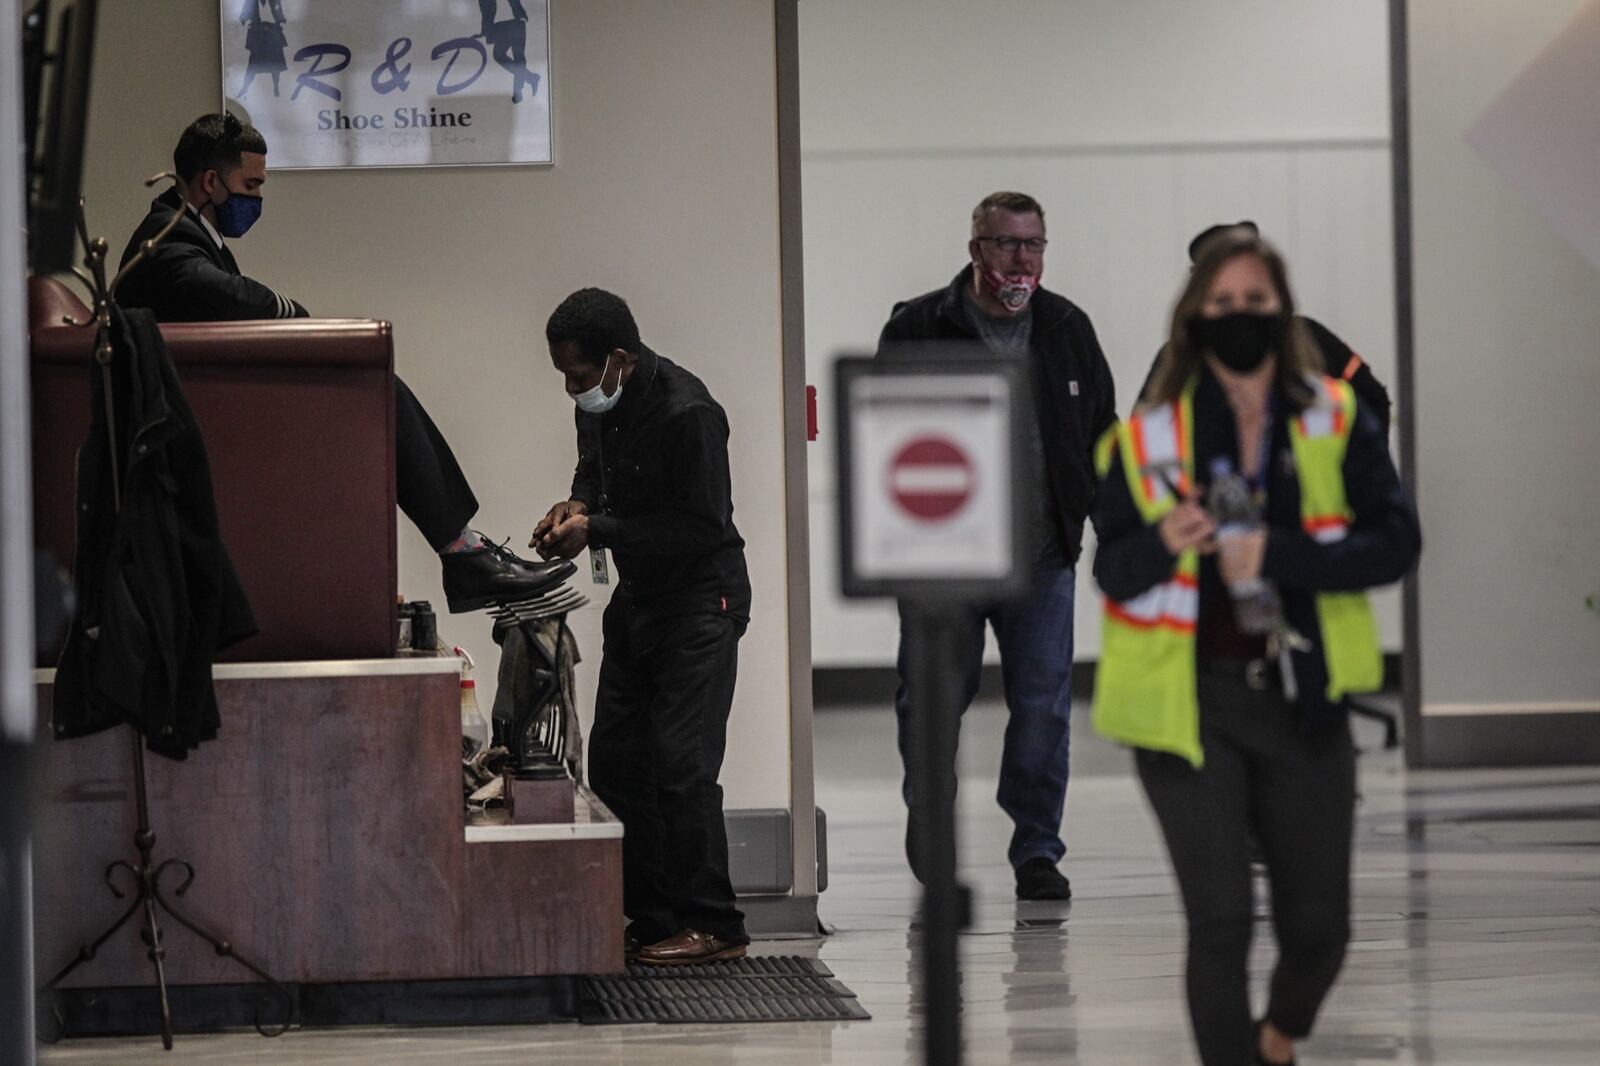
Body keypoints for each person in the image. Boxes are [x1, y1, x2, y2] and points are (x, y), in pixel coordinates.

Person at [1092, 230, 1420, 1066]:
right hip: (1187, 706)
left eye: (1256, 303)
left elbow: (1396, 543)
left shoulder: (1333, 419)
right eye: (1224, 305)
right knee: (1222, 921)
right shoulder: (1148, 436)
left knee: (1320, 930)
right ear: (1195, 316)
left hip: (1300, 700)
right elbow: (1117, 573)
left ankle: (1277, 1039)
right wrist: (1166, 536)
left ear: (1284, 313)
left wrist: (1280, 552)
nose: (1240, 318)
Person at [116, 113, 566, 615]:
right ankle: (464, 555)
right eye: (252, 185)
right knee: (375, 390)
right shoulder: (166, 239)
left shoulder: (187, 235)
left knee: (376, 390)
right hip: (193, 430)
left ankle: (464, 551)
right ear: (210, 182)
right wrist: (292, 311)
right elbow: (231, 297)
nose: (258, 199)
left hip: (214, 413)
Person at [875, 191, 1117, 900]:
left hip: (1043, 559)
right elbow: (885, 436)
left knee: (1044, 707)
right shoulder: (921, 326)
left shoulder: (1067, 327)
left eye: (1034, 244)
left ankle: (1036, 849)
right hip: (944, 564)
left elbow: (1102, 434)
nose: (1023, 259)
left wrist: (1117, 533)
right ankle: (933, 837)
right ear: (976, 248)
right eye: (1008, 244)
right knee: (930, 704)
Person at [533, 288, 751, 965]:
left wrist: (595, 528)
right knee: (618, 762)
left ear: (619, 360)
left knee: (681, 765)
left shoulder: (690, 414)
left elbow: (698, 527)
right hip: (641, 601)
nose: (573, 391)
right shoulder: (600, 406)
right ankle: (655, 918)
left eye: (579, 376)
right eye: (563, 377)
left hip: (701, 603)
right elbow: (592, 473)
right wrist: (575, 505)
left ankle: (715, 924)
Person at [1141, 221, 1391, 433]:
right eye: (1222, 300)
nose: (1240, 315)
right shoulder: (1174, 358)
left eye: (1255, 298)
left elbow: (1373, 397)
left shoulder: (1309, 337)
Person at [477, 0, 541, 104]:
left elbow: (487, 12)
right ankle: (527, 81)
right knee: (511, 57)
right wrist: (484, 32)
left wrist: (485, 32)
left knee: (514, 57)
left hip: (508, 26)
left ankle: (522, 87)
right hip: (512, 25)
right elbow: (487, 12)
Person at [236, 0, 288, 99]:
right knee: (253, 65)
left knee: (275, 64)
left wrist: (280, 20)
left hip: (272, 33)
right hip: (258, 34)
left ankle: (276, 87)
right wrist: (245, 20)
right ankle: (245, 88)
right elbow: (245, 11)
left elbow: (279, 13)